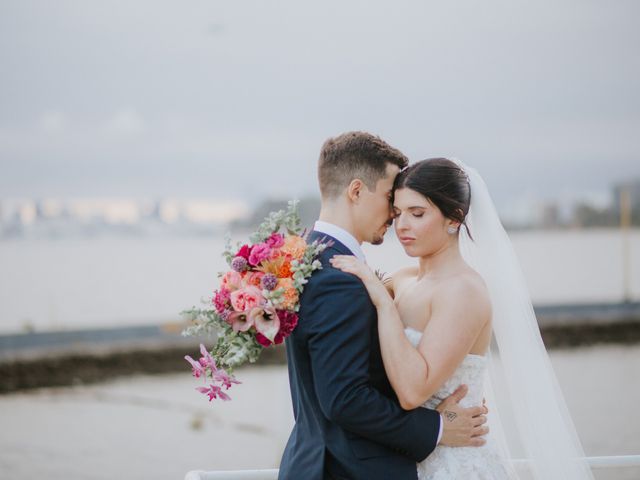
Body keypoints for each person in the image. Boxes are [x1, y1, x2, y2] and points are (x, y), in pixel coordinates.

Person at [331, 158, 593, 479]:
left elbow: (413, 392)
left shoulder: (464, 291)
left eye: (417, 214)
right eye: (397, 213)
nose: (401, 226)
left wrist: (385, 307)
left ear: (454, 218)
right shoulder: (402, 280)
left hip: (455, 463)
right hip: (403, 456)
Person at [278, 134, 488, 480]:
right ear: (357, 191)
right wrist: (436, 427)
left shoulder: (303, 259)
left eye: (414, 212)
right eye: (393, 200)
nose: (396, 217)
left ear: (454, 219)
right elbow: (345, 399)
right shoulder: (339, 277)